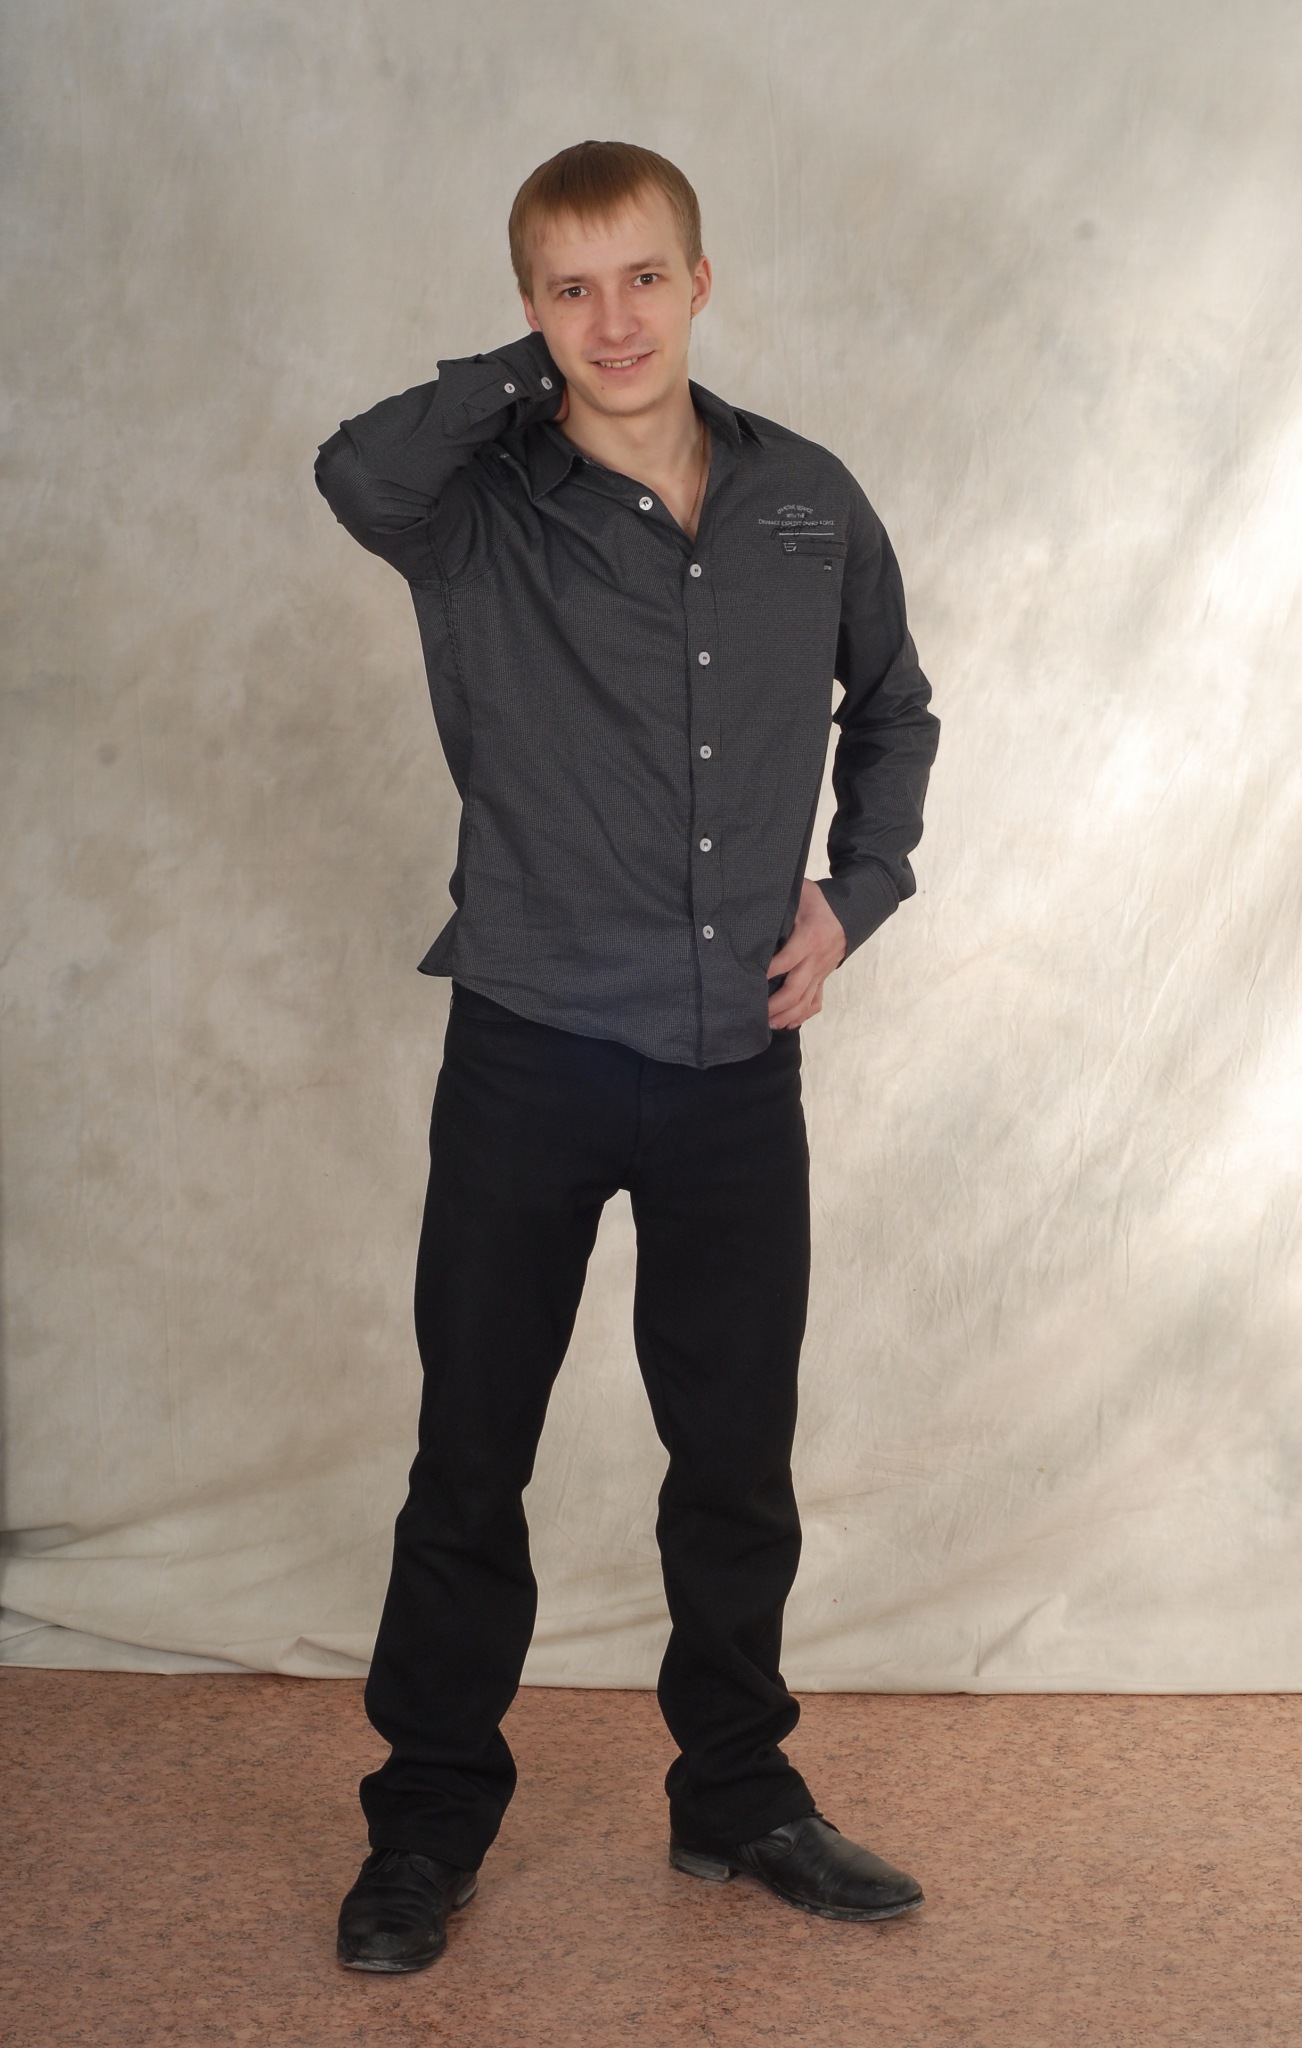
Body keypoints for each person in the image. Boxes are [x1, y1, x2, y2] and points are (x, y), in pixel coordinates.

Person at [314, 139, 940, 1974]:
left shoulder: (806, 500)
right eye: (569, 288)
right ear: (527, 308)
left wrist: (856, 894)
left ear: (701, 281)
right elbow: (353, 467)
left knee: (733, 1462)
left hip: (735, 1066)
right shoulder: (470, 507)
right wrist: (536, 376)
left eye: (643, 277)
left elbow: (894, 709)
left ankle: (736, 1796)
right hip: (528, 1050)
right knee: (469, 1458)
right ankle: (424, 1826)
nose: (612, 320)